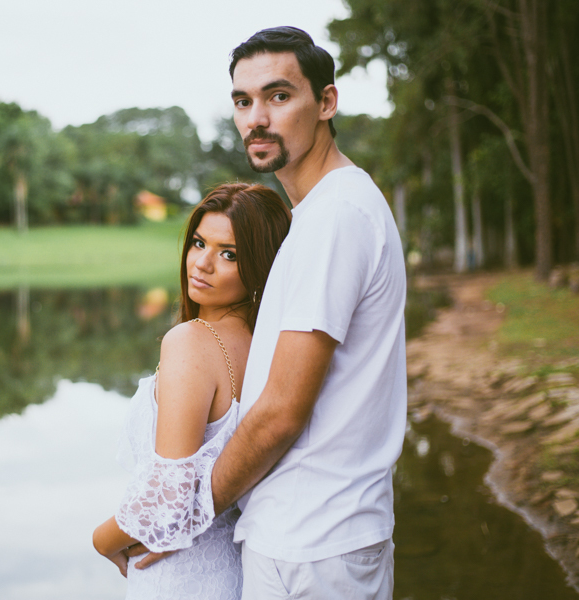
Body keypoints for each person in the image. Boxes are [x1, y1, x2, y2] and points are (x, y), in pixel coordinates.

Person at [132, 27, 407, 600]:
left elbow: (282, 409)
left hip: (313, 544)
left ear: (326, 103)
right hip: (311, 537)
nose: (257, 117)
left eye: (279, 96)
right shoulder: (319, 213)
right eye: (243, 100)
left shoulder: (335, 216)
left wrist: (187, 514)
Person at [92, 183, 291, 600]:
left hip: (176, 574)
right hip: (233, 571)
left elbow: (167, 495)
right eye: (199, 242)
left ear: (259, 266)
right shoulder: (268, 346)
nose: (202, 263)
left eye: (229, 254)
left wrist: (102, 539)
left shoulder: (190, 341)